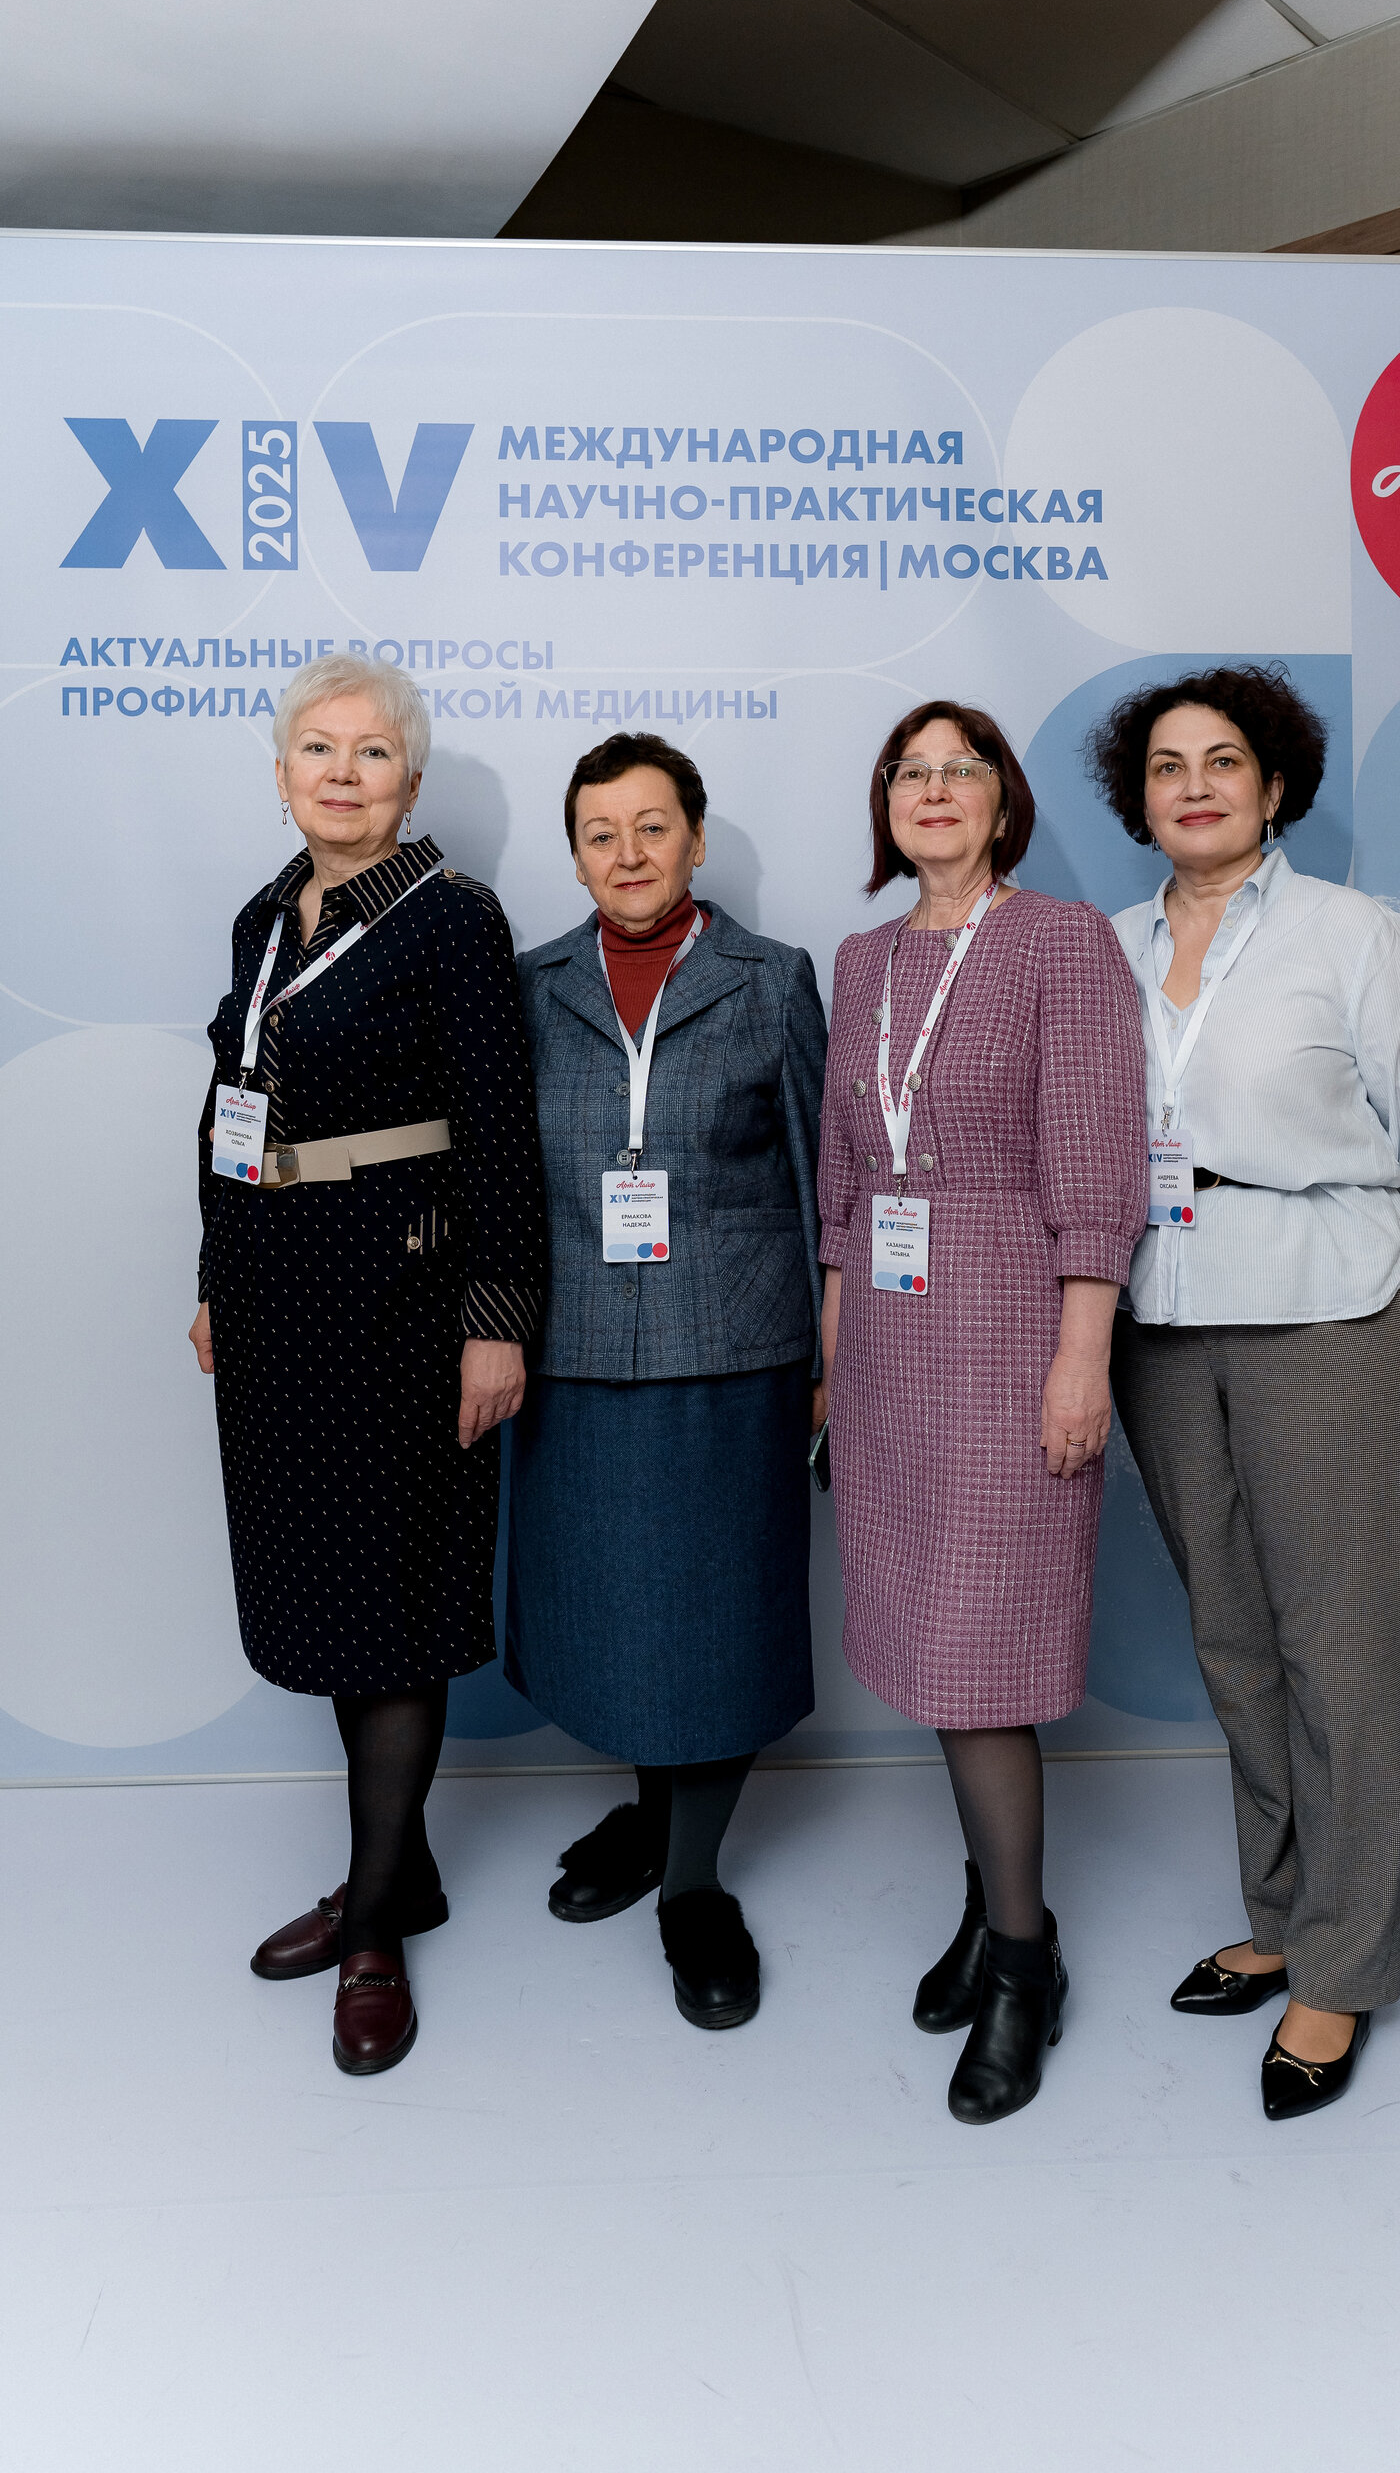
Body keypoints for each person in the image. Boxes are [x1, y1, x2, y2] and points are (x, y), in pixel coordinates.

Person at [1091, 664, 1400, 2120]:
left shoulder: (1353, 936)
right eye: (1166, 765)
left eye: (1222, 761)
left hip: (1330, 1313)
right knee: (1235, 1642)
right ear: (1138, 798)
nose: (1193, 785)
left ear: (1275, 785)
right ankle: (1280, 1912)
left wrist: (1370, 1277)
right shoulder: (1107, 947)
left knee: (1339, 1653)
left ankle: (1343, 1966)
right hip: (1163, 1318)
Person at [190, 652, 546, 2076]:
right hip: (274, 1294)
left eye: (373, 752)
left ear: (411, 778)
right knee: (334, 1584)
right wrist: (212, 1275)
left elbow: (501, 1129)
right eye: (318, 750)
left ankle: (377, 1926)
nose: (343, 773)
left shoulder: (453, 919)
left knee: (394, 1596)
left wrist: (498, 1316)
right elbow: (229, 1102)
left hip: (400, 1296)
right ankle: (401, 1870)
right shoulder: (264, 917)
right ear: (283, 773)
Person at [817, 702, 1146, 2125]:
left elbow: (1097, 1163)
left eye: (963, 770)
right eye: (912, 771)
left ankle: (1024, 1960)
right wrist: (833, 1365)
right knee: (925, 1634)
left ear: (1003, 801)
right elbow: (843, 1184)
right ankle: (986, 1908)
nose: (936, 789)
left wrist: (1083, 1357)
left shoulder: (1063, 944)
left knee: (981, 1654)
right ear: (885, 804)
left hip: (1014, 1333)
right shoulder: (864, 961)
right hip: (889, 1349)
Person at [505, 731, 826, 2030]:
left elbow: (821, 1177)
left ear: (695, 838)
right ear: (575, 855)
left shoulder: (770, 978)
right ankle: (648, 1823)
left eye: (652, 827)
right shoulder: (531, 986)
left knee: (717, 1626)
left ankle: (693, 1885)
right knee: (617, 1617)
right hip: (577, 1349)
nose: (628, 854)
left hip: (734, 1351)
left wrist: (831, 1364)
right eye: (601, 834)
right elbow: (500, 1181)